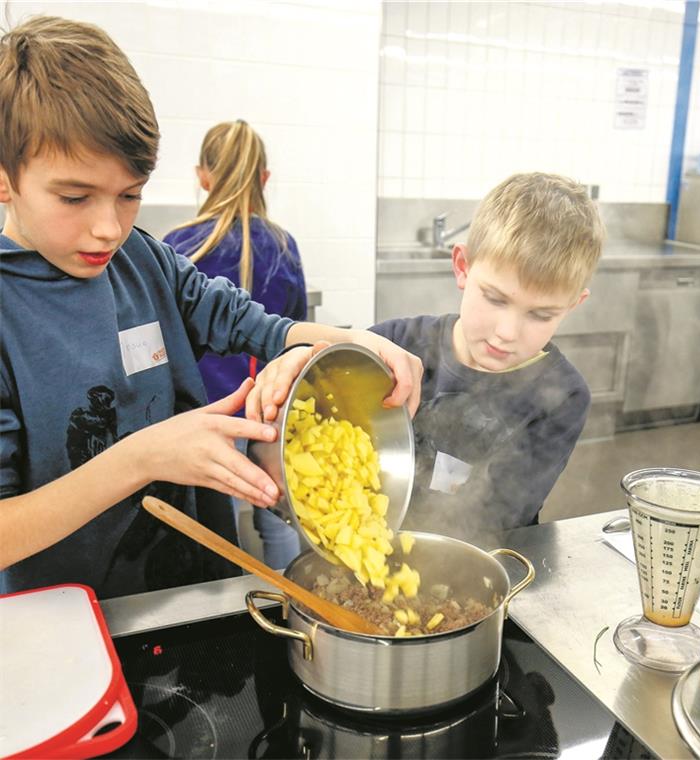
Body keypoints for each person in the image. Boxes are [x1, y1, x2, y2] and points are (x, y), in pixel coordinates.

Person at [0, 16, 421, 598]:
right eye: (75, 197)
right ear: (5, 179)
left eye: (130, 195)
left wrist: (350, 343)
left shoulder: (144, 260)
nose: (108, 228)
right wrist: (140, 459)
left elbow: (258, 326)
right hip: (73, 626)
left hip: (190, 590)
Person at [370, 172, 605, 543]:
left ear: (573, 305)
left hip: (479, 564)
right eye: (495, 299)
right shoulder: (395, 345)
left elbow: (498, 515)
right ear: (462, 267)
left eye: (541, 315)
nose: (506, 332)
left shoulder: (563, 396)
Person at [164, 120, 306, 568]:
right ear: (264, 178)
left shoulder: (177, 246)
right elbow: (295, 330)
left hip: (206, 414)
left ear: (202, 176)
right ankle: (293, 602)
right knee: (278, 514)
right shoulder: (283, 245)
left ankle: (227, 610)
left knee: (216, 522)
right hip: (270, 410)